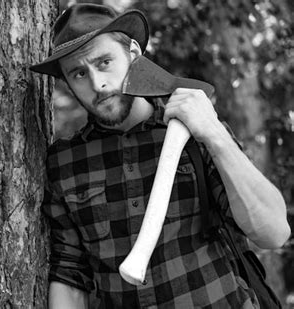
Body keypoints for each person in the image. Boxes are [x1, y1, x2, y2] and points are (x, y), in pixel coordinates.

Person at [30, 4, 291, 308]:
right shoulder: (65, 163)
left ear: (134, 53)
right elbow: (70, 276)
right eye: (78, 73)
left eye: (104, 62)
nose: (97, 84)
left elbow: (273, 233)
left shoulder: (195, 129)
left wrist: (215, 134)